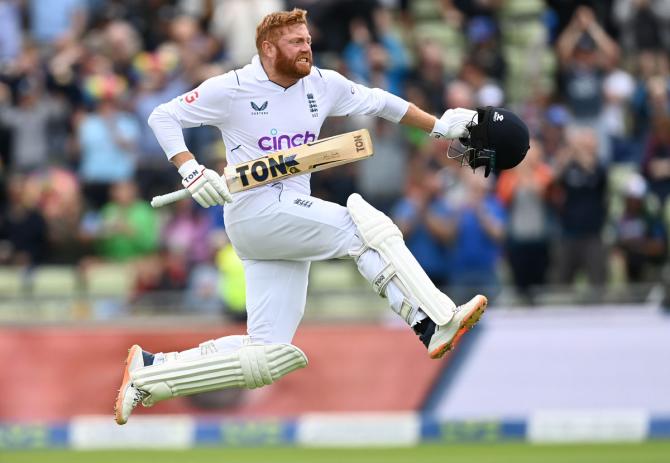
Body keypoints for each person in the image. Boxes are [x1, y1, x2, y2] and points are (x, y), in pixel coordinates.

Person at [114, 8, 529, 425]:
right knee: (365, 227)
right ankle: (431, 319)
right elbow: (162, 115)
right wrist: (190, 167)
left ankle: (151, 372)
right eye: (296, 42)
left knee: (268, 355)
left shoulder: (323, 84)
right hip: (255, 211)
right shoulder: (234, 87)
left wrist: (438, 126)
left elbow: (382, 102)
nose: (306, 48)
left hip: (284, 220)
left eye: (308, 40)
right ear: (267, 47)